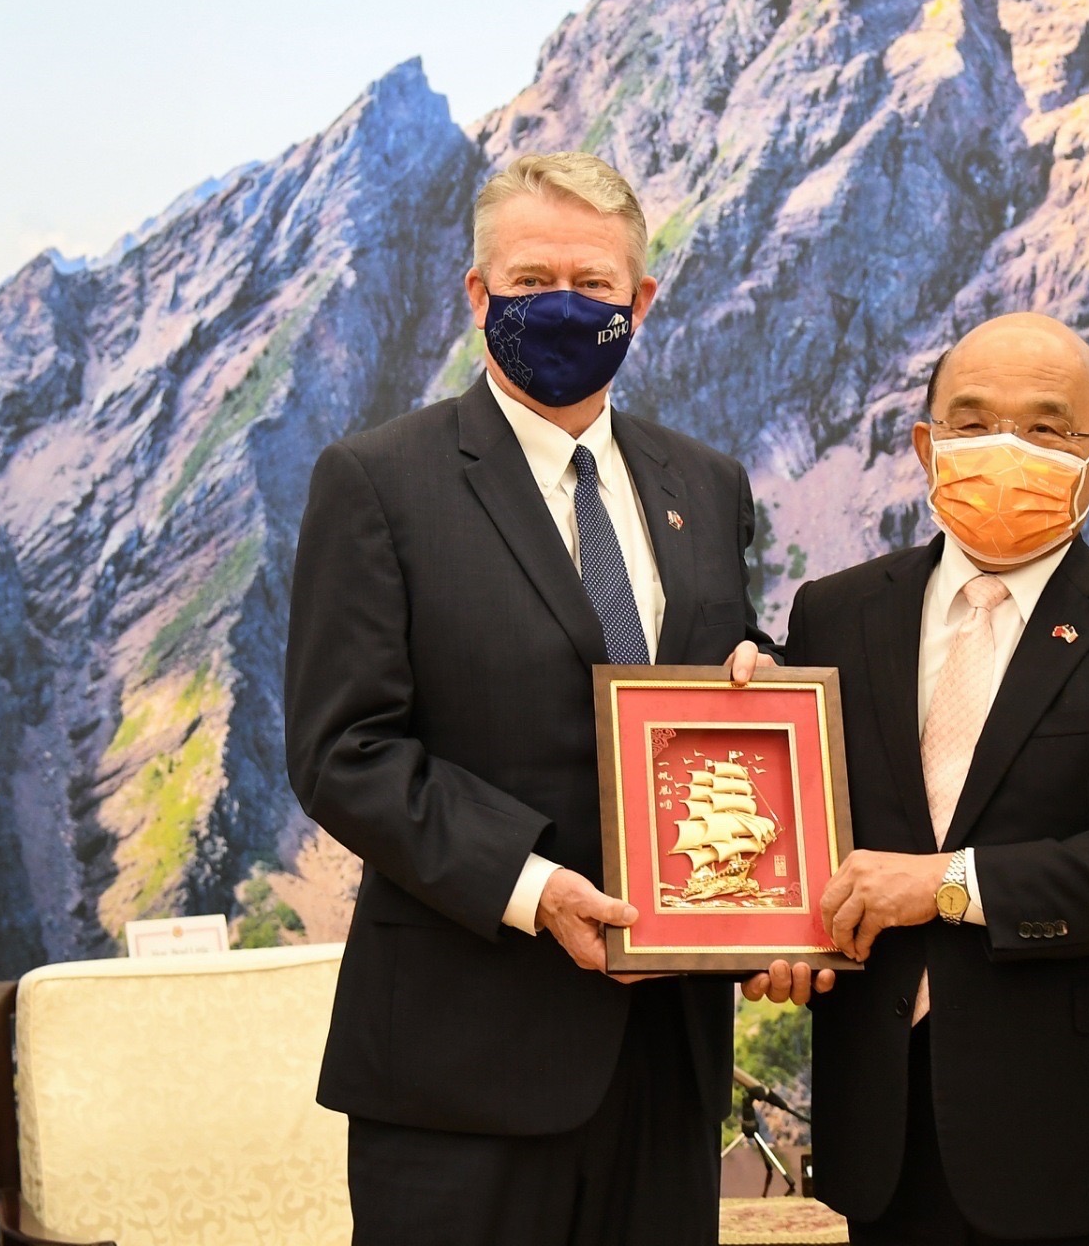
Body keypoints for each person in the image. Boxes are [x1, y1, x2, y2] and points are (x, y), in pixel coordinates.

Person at [285, 152, 776, 1246]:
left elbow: (719, 670)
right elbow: (342, 752)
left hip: (668, 1060)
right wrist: (535, 887)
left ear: (641, 301)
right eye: (530, 280)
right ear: (478, 295)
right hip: (461, 1069)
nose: (562, 305)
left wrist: (760, 676)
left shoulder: (705, 483)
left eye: (593, 284)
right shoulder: (377, 482)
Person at [750, 312, 1089, 1246]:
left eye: (1046, 429)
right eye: (973, 422)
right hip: (891, 1141)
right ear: (925, 445)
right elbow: (807, 828)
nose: (1004, 450)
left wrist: (945, 885)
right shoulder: (835, 614)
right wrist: (777, 932)